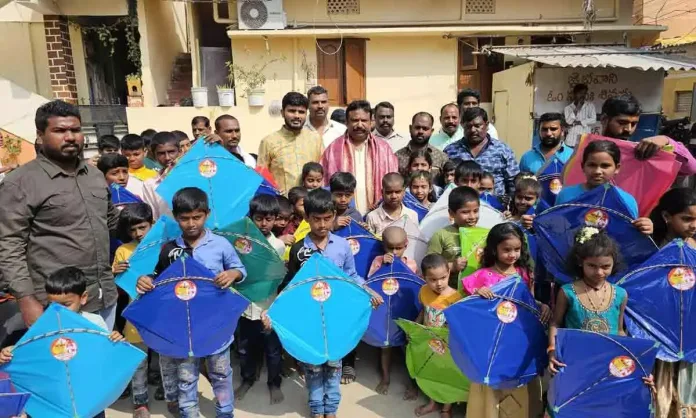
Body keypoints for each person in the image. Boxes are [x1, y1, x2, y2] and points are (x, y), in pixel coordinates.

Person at [0, 100, 119, 329]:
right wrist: (26, 299)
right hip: (54, 305)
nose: (70, 137)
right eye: (59, 130)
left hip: (102, 296)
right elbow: (8, 246)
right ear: (40, 135)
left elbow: (111, 223)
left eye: (75, 130)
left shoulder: (94, 176)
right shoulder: (21, 183)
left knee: (100, 364)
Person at [136, 187, 247, 418]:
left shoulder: (221, 245)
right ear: (176, 217)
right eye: (184, 218)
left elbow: (240, 269)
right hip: (183, 328)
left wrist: (232, 275)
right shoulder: (169, 249)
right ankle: (189, 412)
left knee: (220, 372)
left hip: (216, 324)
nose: (191, 223)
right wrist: (146, 281)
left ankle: (225, 412)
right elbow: (158, 280)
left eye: (197, 217)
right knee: (186, 376)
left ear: (207, 214)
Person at [274, 188, 383, 418]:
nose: (322, 225)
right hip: (310, 319)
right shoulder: (299, 249)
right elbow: (292, 284)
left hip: (336, 318)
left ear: (334, 215)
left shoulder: (342, 246)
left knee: (334, 364)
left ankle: (331, 408)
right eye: (316, 219)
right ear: (307, 218)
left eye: (327, 218)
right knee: (313, 365)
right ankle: (316, 408)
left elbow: (351, 276)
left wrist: (367, 290)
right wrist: (275, 310)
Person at [547, 228, 655, 390]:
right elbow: (555, 322)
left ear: (614, 264)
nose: (599, 272)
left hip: (609, 362)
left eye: (605, 266)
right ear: (580, 262)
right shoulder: (568, 291)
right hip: (575, 360)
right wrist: (552, 350)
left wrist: (634, 362)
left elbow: (619, 331)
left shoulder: (620, 294)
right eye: (592, 265)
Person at [462, 223, 548, 418]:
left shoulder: (524, 274)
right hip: (491, 342)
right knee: (491, 383)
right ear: (494, 249)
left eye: (517, 250)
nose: (512, 255)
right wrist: (477, 293)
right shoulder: (482, 276)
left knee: (516, 380)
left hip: (517, 338)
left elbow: (528, 301)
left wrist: (543, 305)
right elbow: (467, 307)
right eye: (506, 250)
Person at [111, 203, 170, 418]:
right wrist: (114, 272)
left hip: (163, 315)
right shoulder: (123, 251)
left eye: (142, 227)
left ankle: (168, 391)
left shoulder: (165, 247)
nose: (138, 233)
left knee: (166, 357)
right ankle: (140, 403)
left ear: (152, 224)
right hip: (135, 315)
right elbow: (116, 286)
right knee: (138, 361)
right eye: (133, 230)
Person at [649, 188, 696, 418]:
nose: (693, 225)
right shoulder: (652, 249)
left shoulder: (695, 249)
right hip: (660, 333)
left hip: (690, 333)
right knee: (662, 393)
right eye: (687, 219)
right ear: (667, 217)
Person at [235, 195, 286, 406]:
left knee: (273, 350)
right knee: (245, 347)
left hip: (268, 307)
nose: (264, 224)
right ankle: (248, 378)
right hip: (245, 306)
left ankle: (274, 382)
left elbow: (276, 280)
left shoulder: (278, 245)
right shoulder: (241, 242)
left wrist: (272, 310)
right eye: (259, 218)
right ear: (251, 218)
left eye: (269, 218)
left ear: (276, 219)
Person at [555, 140, 653, 236]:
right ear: (583, 166)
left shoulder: (626, 201)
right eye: (592, 165)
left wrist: (644, 227)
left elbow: (629, 237)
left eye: (605, 166)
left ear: (617, 168)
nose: (598, 171)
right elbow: (555, 228)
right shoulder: (566, 195)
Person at [367, 225, 419, 398]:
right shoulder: (378, 261)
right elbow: (371, 282)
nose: (395, 252)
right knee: (385, 345)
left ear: (406, 245)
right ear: (384, 246)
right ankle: (385, 377)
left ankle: (413, 382)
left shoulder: (410, 263)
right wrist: (383, 265)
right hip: (385, 310)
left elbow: (414, 286)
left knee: (408, 347)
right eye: (391, 247)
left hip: (403, 309)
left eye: (399, 248)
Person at [321, 100, 399, 215]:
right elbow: (324, 185)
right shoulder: (333, 149)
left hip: (378, 215)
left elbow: (393, 182)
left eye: (364, 120)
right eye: (355, 120)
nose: (359, 125)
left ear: (371, 122)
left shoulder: (384, 149)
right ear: (347, 122)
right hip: (342, 217)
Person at [414, 254, 462, 418]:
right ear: (424, 278)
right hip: (429, 341)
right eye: (433, 279)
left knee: (447, 374)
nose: (439, 283)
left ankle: (446, 408)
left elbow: (458, 323)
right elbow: (423, 310)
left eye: (443, 277)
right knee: (431, 372)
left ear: (449, 272)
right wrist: (416, 326)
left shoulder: (455, 297)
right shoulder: (423, 291)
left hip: (448, 345)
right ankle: (432, 403)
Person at [601, 95, 696, 176]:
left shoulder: (642, 152)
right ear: (604, 119)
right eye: (622, 122)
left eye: (633, 124)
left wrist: (667, 140)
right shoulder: (587, 148)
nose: (628, 129)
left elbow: (691, 168)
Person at [257, 92, 323, 194]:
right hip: (283, 204)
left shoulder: (315, 138)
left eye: (301, 112)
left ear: (306, 113)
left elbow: (322, 170)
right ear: (282, 112)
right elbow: (261, 175)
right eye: (292, 111)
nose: (297, 116)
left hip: (311, 203)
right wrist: (272, 189)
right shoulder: (269, 142)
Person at [445, 107, 519, 196]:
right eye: (468, 126)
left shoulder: (502, 150)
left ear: (487, 125)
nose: (473, 130)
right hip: (460, 205)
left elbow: (514, 182)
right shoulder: (451, 150)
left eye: (477, 126)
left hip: (495, 207)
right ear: (462, 126)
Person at [426, 186, 480, 287]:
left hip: (477, 292)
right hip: (448, 293)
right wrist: (452, 266)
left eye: (476, 211)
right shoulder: (441, 235)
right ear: (451, 213)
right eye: (465, 212)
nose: (472, 217)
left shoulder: (484, 235)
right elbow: (429, 266)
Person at [141, 132, 181, 220]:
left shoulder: (193, 176)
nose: (167, 157)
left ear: (180, 151)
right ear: (154, 155)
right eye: (161, 153)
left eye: (171, 152)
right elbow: (153, 218)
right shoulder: (150, 184)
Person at [395, 112, 448, 176]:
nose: (420, 131)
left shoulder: (441, 157)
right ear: (410, 128)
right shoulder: (397, 157)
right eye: (417, 127)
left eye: (425, 128)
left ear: (431, 131)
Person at [564, 84, 597, 148]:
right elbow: (569, 122)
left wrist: (579, 122)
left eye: (584, 93)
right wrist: (576, 109)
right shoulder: (568, 108)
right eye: (580, 93)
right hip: (571, 140)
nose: (583, 95)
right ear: (574, 94)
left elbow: (593, 120)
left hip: (585, 139)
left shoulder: (590, 106)